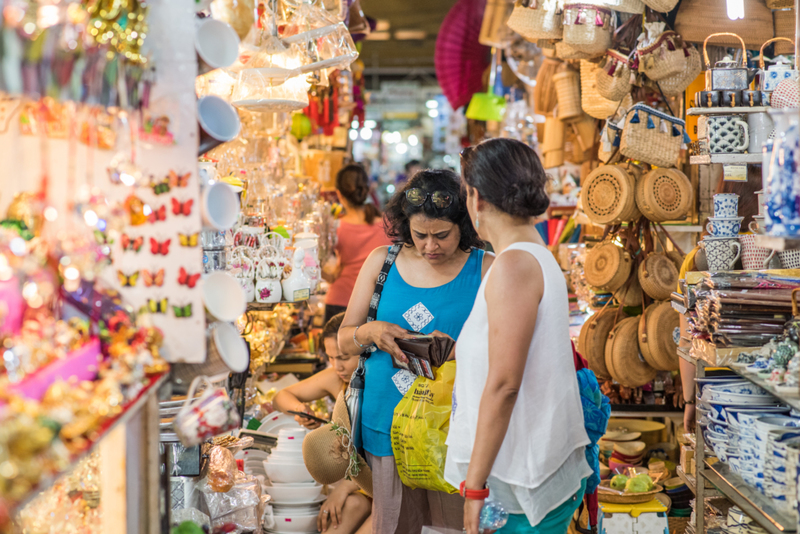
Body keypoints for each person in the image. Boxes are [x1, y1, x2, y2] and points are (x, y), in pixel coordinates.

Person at [448, 138, 591, 534]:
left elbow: (505, 384)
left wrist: (474, 488)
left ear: (475, 197)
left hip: (523, 486)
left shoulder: (514, 265)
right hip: (528, 473)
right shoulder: (531, 253)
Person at [338, 169, 493, 533]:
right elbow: (344, 339)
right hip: (386, 424)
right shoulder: (382, 262)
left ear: (464, 225)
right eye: (419, 234)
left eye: (442, 235)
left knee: (456, 526)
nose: (429, 246)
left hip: (453, 429)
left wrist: (461, 350)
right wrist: (371, 331)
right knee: (395, 525)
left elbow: (506, 350)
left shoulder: (486, 269)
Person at [272, 313, 372, 534]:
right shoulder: (336, 378)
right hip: (358, 485)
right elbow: (280, 397)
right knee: (348, 509)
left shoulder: (379, 386)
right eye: (330, 357)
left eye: (344, 357)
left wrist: (344, 488)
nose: (337, 366)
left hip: (379, 483)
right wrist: (300, 410)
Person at [324, 164, 391, 324]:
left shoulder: (335, 226)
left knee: (335, 349)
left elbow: (317, 266)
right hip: (376, 305)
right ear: (367, 190)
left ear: (339, 194)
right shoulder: (388, 225)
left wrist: (330, 275)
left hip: (340, 301)